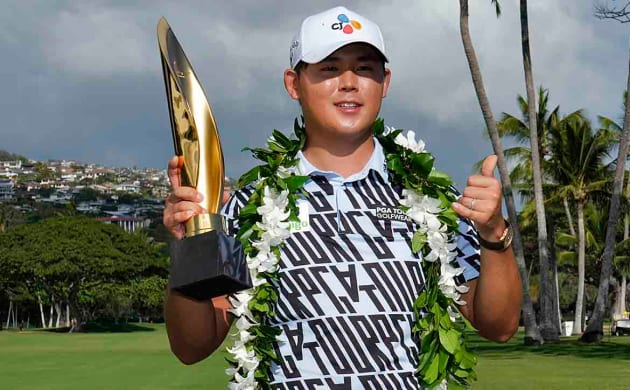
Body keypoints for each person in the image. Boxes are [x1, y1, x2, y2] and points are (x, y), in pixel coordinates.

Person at [162, 6, 522, 388]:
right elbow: (192, 347)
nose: (349, 83)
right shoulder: (249, 206)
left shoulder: (432, 200)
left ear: (385, 82)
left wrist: (493, 233)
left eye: (365, 69)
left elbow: (498, 327)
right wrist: (189, 248)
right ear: (293, 83)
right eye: (329, 69)